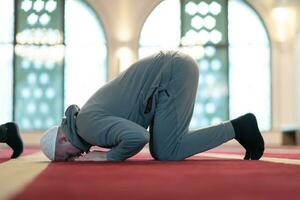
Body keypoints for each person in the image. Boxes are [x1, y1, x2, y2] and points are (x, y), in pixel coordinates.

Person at [40, 50, 264, 162]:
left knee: (166, 151)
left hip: (171, 74)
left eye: (67, 157)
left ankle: (240, 127)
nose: (75, 159)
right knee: (164, 149)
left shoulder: (86, 127)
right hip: (171, 72)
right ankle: (239, 127)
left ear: (62, 139)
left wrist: (106, 157)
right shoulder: (85, 122)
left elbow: (139, 137)